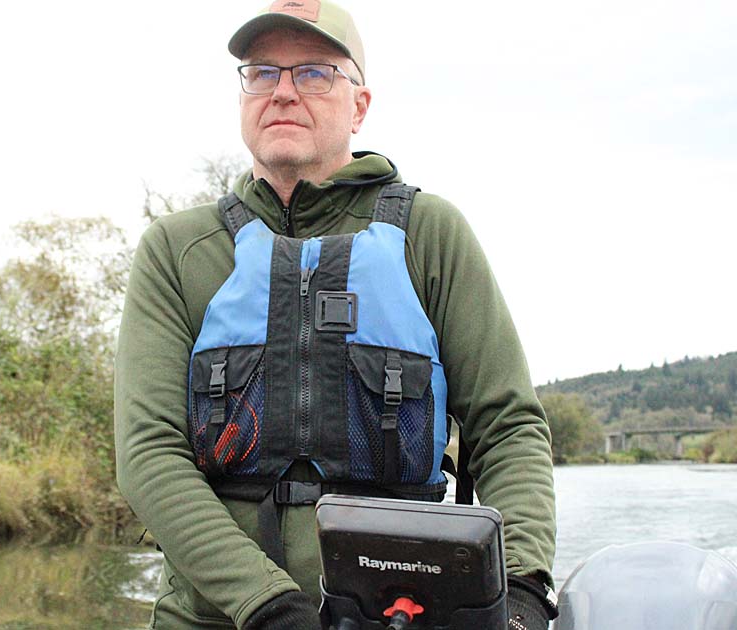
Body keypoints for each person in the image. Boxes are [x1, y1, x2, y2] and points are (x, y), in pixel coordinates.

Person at [114, 1, 557, 628]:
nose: (283, 93)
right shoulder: (177, 249)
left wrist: (526, 585)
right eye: (262, 72)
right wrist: (265, 603)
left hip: (403, 613)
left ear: (359, 105)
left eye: (314, 73)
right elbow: (148, 454)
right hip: (219, 617)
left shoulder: (431, 234)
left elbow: (507, 425)